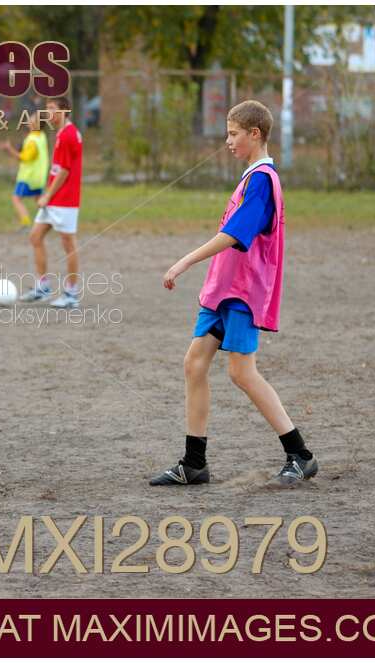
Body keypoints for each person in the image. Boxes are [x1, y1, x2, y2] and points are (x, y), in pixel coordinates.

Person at [150, 99, 317, 488]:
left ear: (254, 134)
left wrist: (184, 261)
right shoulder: (250, 177)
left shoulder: (262, 180)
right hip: (222, 290)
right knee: (195, 364)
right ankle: (194, 464)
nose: (227, 141)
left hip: (242, 292)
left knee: (242, 372)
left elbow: (234, 234)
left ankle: (301, 456)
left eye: (233, 133)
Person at [19, 97, 83, 309]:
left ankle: (71, 294)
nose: (48, 113)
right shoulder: (61, 133)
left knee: (68, 244)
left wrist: (47, 195)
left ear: (65, 111)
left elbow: (64, 171)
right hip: (55, 198)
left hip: (65, 199)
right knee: (35, 236)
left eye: (52, 108)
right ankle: (43, 287)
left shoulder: (68, 135)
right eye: (46, 109)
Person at [0, 111, 49, 229]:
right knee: (39, 200)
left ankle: (25, 223)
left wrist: (9, 149)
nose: (28, 120)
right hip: (39, 177)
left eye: (32, 119)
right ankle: (50, 219)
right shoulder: (41, 136)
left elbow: (24, 158)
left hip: (28, 177)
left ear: (36, 124)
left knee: (16, 198)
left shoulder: (32, 140)